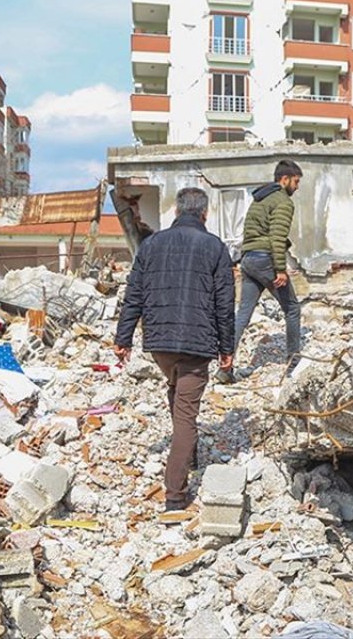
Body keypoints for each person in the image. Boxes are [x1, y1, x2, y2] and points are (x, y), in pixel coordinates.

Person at [113, 187, 234, 511]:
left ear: (176, 212)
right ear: (204, 214)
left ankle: (189, 453)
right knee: (186, 418)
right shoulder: (215, 247)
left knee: (175, 389)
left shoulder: (151, 244)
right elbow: (224, 303)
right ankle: (175, 496)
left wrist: (123, 339)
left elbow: (133, 294)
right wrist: (227, 348)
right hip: (197, 346)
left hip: (160, 345)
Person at [219, 160, 303, 382]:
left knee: (243, 314)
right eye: (296, 181)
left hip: (248, 259)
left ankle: (224, 369)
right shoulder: (283, 202)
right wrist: (280, 269)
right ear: (284, 180)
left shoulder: (260, 198)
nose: (297, 187)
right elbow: (276, 238)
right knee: (293, 309)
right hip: (265, 259)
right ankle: (294, 365)